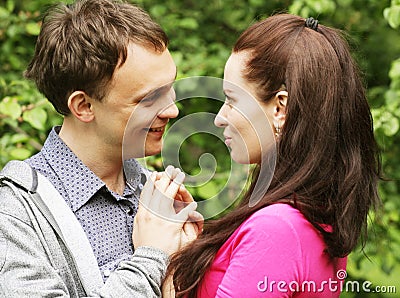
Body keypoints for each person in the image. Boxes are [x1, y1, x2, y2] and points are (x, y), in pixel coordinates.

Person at [162, 14, 382, 297]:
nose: (219, 117)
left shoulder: (277, 230)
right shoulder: (315, 217)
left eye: (232, 100)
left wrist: (162, 259)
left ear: (280, 108)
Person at [0, 0, 201, 297]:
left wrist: (192, 261)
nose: (172, 110)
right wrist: (151, 258)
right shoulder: (14, 215)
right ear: (83, 106)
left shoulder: (156, 196)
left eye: (170, 86)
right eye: (149, 99)